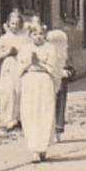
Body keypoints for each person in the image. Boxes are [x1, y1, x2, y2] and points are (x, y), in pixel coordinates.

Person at [17, 22, 58, 162]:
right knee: (30, 112)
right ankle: (34, 148)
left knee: (44, 112)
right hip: (30, 80)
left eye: (41, 34)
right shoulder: (25, 48)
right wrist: (30, 62)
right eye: (35, 34)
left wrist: (38, 62)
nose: (38, 37)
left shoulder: (50, 48)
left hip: (44, 80)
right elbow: (20, 67)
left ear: (45, 35)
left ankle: (43, 147)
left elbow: (52, 67)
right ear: (30, 35)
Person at [0, 11, 25, 131]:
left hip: (20, 66)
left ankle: (19, 118)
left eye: (17, 24)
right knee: (8, 92)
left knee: (20, 92)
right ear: (8, 24)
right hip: (8, 65)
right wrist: (8, 53)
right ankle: (8, 119)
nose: (15, 26)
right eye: (12, 24)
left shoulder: (23, 39)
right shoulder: (4, 38)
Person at [46, 28, 72, 137]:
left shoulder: (65, 55)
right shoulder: (46, 53)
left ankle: (58, 127)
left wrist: (67, 72)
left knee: (59, 103)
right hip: (48, 80)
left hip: (60, 80)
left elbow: (71, 68)